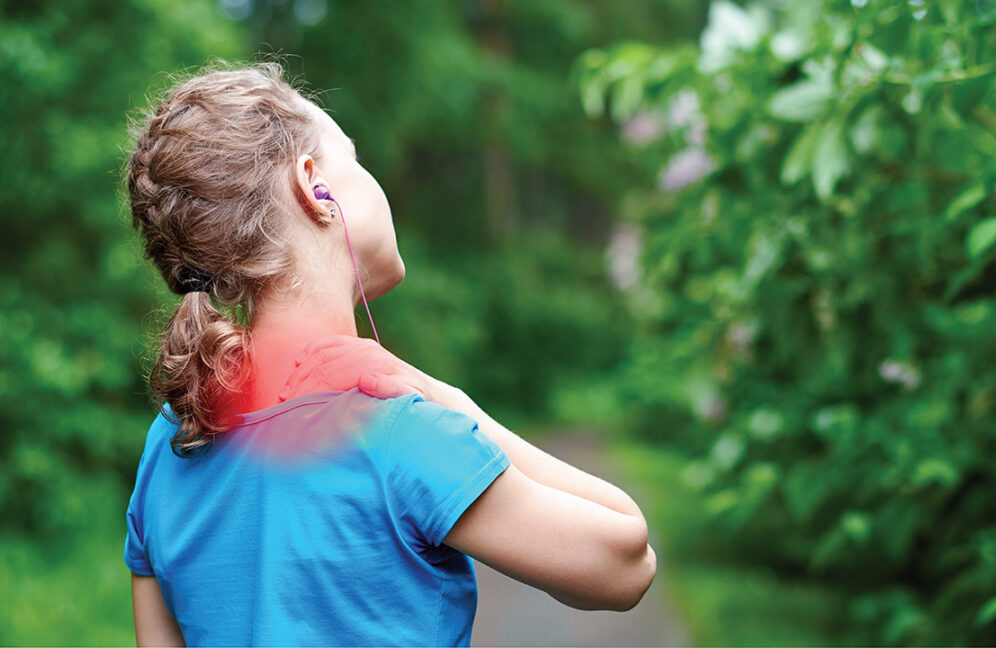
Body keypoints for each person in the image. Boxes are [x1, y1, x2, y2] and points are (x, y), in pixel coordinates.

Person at [123, 62, 656, 647]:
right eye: (353, 159)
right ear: (314, 187)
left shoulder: (171, 438)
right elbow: (627, 561)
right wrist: (447, 401)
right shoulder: (395, 432)